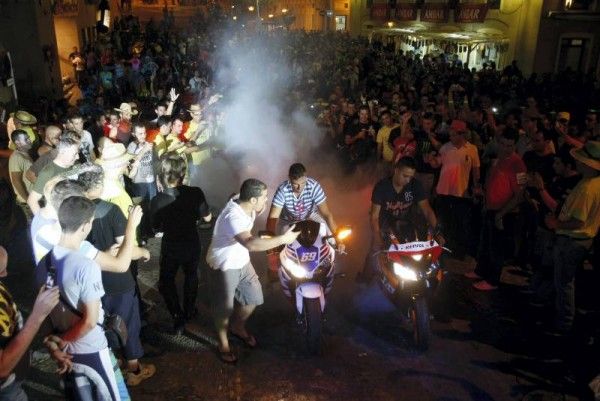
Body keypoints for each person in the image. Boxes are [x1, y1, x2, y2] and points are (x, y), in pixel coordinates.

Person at [37, 196, 136, 400]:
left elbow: (42, 312)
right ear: (85, 226)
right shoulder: (86, 266)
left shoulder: (43, 263)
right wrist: (62, 342)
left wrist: (53, 344)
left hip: (63, 351)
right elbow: (90, 321)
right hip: (90, 349)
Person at [206, 179, 299, 363]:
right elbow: (250, 243)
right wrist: (283, 239)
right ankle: (223, 344)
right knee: (224, 309)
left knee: (254, 297)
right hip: (224, 265)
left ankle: (238, 327)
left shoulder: (245, 201)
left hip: (241, 261)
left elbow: (240, 197)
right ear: (253, 200)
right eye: (264, 198)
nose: (267, 201)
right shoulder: (233, 216)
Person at [78, 166, 155, 386]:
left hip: (89, 281)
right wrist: (144, 252)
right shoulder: (110, 210)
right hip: (117, 281)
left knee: (101, 322)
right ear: (99, 185)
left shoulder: (74, 210)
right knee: (127, 322)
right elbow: (126, 248)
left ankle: (113, 360)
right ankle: (134, 369)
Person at [150, 153, 211, 334]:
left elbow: (155, 227)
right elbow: (206, 217)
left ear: (162, 175)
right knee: (191, 275)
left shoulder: (157, 200)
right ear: (183, 174)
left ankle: (178, 317)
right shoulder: (195, 193)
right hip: (192, 242)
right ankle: (190, 309)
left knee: (166, 281)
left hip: (171, 246)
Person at [545, 140, 600, 334]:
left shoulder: (587, 188)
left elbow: (578, 221)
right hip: (581, 241)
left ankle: (563, 323)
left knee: (564, 283)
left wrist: (555, 224)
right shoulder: (593, 183)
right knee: (566, 282)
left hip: (572, 240)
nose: (577, 162)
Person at [357, 157, 442, 282]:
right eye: (405, 176)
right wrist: (378, 238)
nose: (407, 180)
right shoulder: (382, 187)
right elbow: (374, 216)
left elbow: (427, 210)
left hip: (406, 224)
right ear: (396, 170)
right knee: (374, 252)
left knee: (417, 251)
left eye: (410, 177)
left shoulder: (415, 185)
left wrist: (438, 231)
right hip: (384, 225)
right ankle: (365, 278)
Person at [465, 129, 527, 290]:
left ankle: (492, 280)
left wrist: (502, 213)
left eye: (510, 145)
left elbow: (519, 195)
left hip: (504, 212)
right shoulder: (499, 159)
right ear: (499, 143)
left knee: (496, 248)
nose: (507, 148)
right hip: (491, 209)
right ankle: (481, 271)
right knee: (485, 244)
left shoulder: (517, 164)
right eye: (504, 144)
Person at [0, 246, 60, 401]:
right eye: (1, 272)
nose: (6, 274)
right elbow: (2, 367)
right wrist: (37, 316)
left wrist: (47, 340)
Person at [430, 119, 481, 260]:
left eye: (453, 134)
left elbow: (476, 171)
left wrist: (476, 188)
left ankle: (458, 252)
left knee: (460, 224)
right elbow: (436, 164)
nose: (450, 136)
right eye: (450, 133)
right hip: (443, 192)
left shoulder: (472, 149)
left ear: (461, 134)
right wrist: (431, 160)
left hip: (461, 193)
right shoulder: (445, 148)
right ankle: (442, 251)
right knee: (443, 223)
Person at [267, 163, 339, 235]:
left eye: (303, 183)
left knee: (330, 237)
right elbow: (273, 218)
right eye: (295, 184)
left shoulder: (314, 186)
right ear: (290, 179)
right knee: (281, 242)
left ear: (306, 177)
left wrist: (337, 236)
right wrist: (270, 239)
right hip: (287, 220)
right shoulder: (282, 190)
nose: (299, 187)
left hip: (310, 215)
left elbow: (326, 214)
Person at [27, 132, 80, 215]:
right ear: (62, 153)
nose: (78, 157)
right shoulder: (48, 172)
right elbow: (32, 200)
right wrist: (42, 221)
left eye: (78, 153)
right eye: (75, 154)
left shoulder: (75, 165)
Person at [8, 130, 33, 217]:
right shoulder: (17, 158)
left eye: (29, 138)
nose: (30, 140)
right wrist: (28, 200)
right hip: (26, 202)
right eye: (26, 139)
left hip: (31, 198)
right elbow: (16, 181)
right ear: (18, 143)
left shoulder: (25, 154)